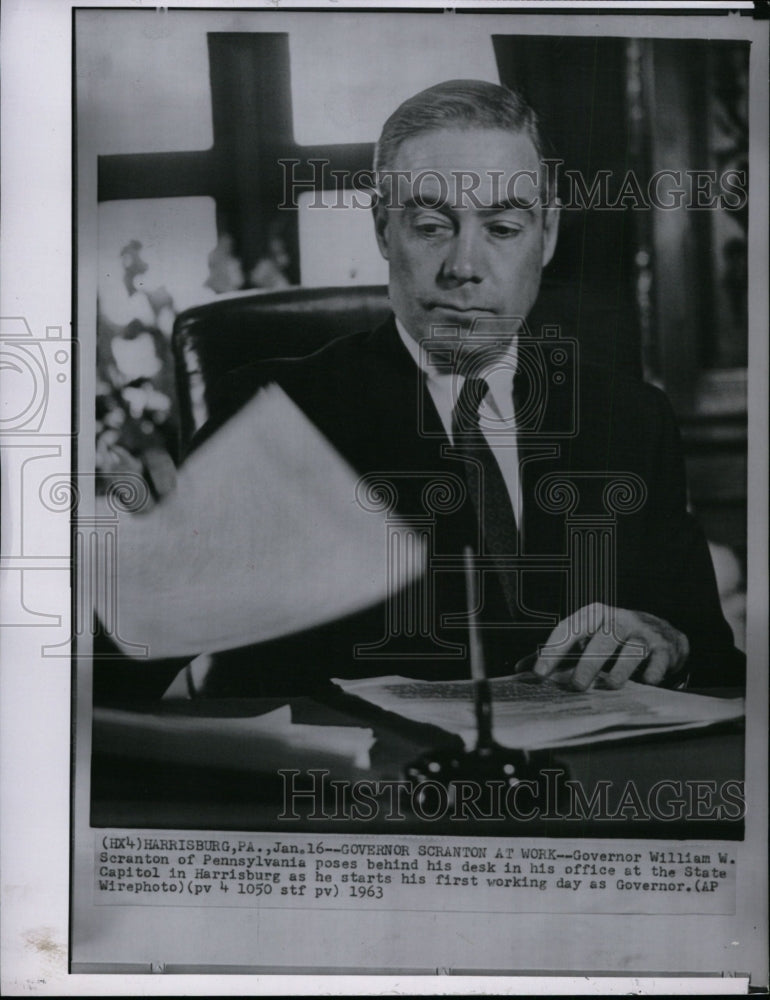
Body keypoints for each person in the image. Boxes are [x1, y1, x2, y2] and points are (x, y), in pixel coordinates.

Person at [97, 80, 743, 702]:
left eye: (502, 229)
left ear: (545, 236)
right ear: (383, 230)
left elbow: (719, 668)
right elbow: (106, 682)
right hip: (354, 801)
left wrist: (669, 643)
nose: (464, 267)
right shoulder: (276, 414)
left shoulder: (631, 420)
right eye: (432, 225)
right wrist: (125, 564)